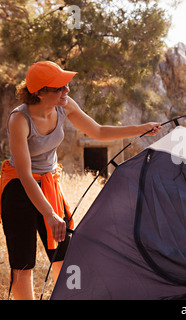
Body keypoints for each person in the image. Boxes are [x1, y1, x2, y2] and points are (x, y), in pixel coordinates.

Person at [0, 61, 161, 300]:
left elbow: (98, 131)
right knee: (23, 265)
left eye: (66, 85)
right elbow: (24, 174)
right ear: (40, 92)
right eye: (59, 88)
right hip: (18, 190)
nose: (67, 91)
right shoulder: (19, 120)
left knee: (64, 257)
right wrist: (50, 214)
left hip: (48, 185)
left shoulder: (65, 106)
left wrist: (140, 129)